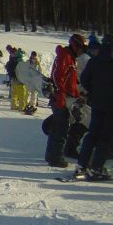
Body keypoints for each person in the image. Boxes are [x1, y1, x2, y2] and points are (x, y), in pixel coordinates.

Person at [75, 34, 113, 180]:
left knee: (92, 133)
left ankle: (81, 165)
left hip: (97, 103)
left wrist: (93, 91)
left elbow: (84, 79)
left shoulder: (93, 62)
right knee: (105, 137)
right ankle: (97, 168)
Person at [45, 33, 87, 167]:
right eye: (81, 48)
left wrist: (76, 94)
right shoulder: (66, 56)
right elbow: (58, 77)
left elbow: (70, 81)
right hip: (61, 100)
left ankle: (52, 156)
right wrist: (61, 94)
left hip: (65, 98)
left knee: (59, 128)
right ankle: (55, 158)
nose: (82, 52)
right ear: (75, 46)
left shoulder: (70, 58)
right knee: (61, 129)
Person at [6, 46, 27, 111]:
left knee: (14, 94)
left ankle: (13, 106)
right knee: (22, 95)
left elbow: (8, 68)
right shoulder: (20, 62)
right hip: (20, 80)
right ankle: (22, 107)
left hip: (13, 79)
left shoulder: (11, 61)